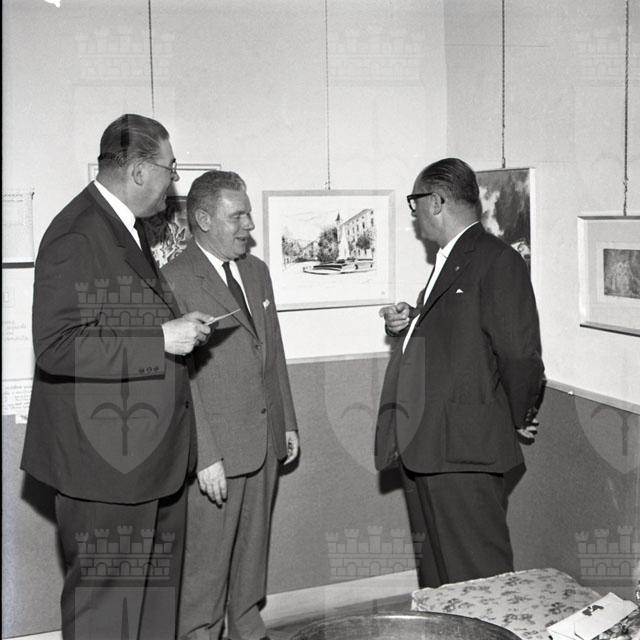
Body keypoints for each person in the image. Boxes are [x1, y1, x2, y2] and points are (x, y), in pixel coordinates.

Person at [21, 114, 214, 639]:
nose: (174, 182)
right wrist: (160, 339)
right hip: (106, 471)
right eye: (171, 169)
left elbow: (114, 322)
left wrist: (175, 327)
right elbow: (57, 346)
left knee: (151, 619)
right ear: (138, 171)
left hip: (149, 465)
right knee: (106, 620)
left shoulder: (121, 228)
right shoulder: (77, 232)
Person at [375, 158, 544, 588]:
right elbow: (462, 332)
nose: (414, 214)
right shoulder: (450, 259)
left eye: (415, 202)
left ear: (436, 201)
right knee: (438, 579)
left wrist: (518, 415)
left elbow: (519, 353)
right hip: (429, 446)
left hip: (464, 450)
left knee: (479, 581)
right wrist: (409, 321)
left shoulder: (497, 260)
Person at [162, 170, 299, 640]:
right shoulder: (173, 279)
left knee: (251, 558)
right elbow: (178, 380)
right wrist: (204, 454)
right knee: (205, 570)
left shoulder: (256, 272)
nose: (249, 226)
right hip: (215, 452)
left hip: (263, 440)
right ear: (203, 219)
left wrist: (286, 421)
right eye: (237, 216)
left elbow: (272, 350)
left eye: (249, 214)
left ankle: (246, 625)